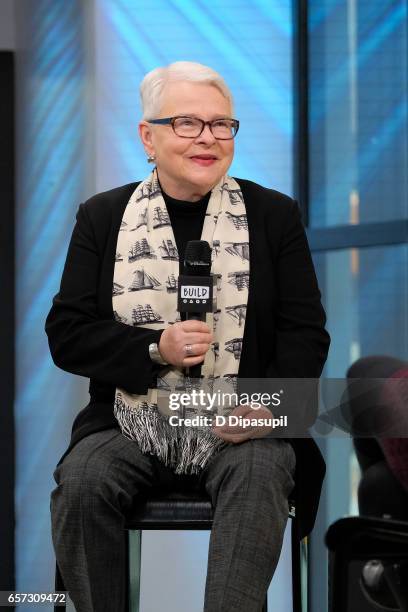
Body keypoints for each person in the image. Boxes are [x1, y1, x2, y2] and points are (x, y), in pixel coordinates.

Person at [46, 61, 330, 612]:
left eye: (222, 125)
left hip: (240, 420)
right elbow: (68, 333)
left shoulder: (274, 215)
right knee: (83, 481)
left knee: (260, 472)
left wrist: (266, 408)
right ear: (148, 137)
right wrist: (156, 349)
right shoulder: (102, 217)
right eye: (188, 123)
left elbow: (305, 334)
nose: (208, 138)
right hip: (130, 417)